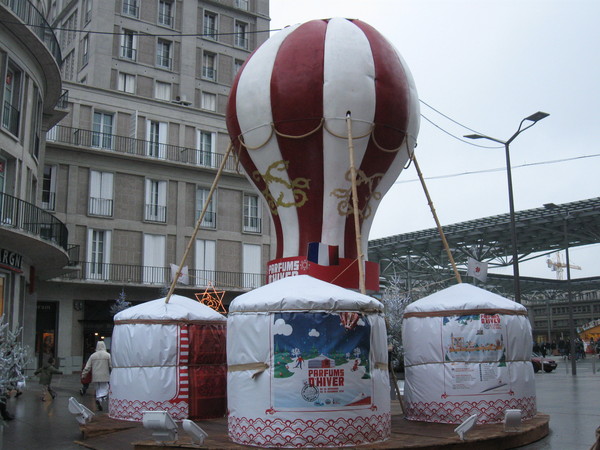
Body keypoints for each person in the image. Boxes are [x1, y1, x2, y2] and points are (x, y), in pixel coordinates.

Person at [82, 341, 111, 411]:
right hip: (104, 375)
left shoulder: (93, 356)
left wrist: (84, 375)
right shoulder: (107, 355)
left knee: (98, 389)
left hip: (95, 376)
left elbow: (87, 367)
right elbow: (111, 366)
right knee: (105, 388)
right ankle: (101, 398)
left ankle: (99, 401)